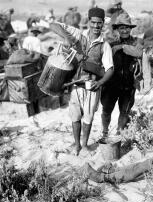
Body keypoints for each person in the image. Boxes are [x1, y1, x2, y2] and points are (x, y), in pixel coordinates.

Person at [49, 7, 114, 155]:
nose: (96, 26)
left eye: (99, 23)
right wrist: (67, 38)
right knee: (75, 116)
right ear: (89, 21)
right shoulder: (78, 35)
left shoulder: (105, 45)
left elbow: (110, 69)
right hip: (75, 85)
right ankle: (77, 145)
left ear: (103, 24)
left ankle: (85, 145)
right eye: (93, 22)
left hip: (92, 87)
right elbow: (53, 25)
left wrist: (100, 82)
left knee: (88, 118)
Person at [100, 13, 143, 140]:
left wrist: (122, 47)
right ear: (117, 29)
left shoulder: (137, 42)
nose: (124, 30)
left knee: (124, 112)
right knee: (106, 110)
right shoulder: (109, 43)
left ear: (131, 29)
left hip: (129, 84)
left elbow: (139, 53)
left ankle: (120, 135)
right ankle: (104, 133)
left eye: (127, 27)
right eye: (121, 27)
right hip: (111, 84)